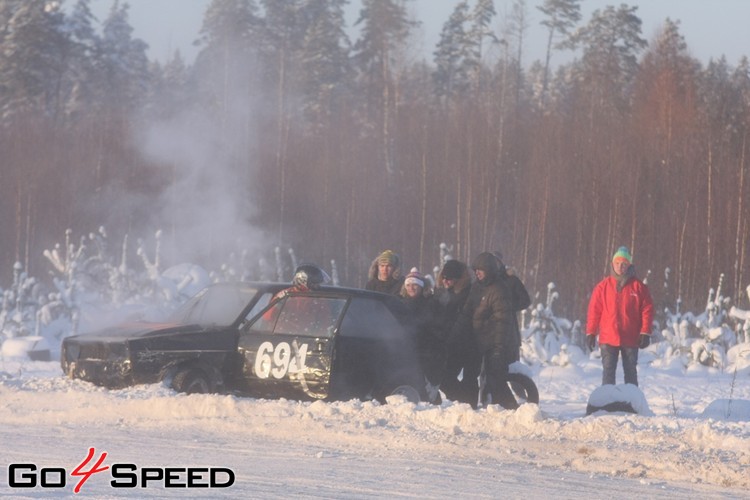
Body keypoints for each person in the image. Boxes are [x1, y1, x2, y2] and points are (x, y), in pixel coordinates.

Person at [586, 246, 654, 387]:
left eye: (624, 264)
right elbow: (594, 311)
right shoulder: (602, 287)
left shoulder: (639, 287)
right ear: (612, 263)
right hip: (608, 337)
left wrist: (645, 332)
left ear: (629, 265)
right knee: (608, 373)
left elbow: (647, 310)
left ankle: (632, 404)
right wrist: (591, 333)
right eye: (617, 263)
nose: (620, 267)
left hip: (630, 338)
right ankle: (607, 405)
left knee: (630, 374)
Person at [466, 252, 521, 410]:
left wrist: (498, 348)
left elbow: (502, 322)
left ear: (489, 270)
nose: (477, 273)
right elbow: (467, 312)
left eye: (480, 270)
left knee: (495, 378)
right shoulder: (477, 287)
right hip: (481, 341)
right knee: (477, 377)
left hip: (497, 343)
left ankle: (512, 409)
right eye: (475, 270)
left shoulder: (499, 289)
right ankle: (473, 408)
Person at [434, 259, 480, 407]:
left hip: (471, 343)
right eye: (444, 278)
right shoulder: (445, 293)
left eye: (450, 278)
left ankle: (470, 406)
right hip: (452, 343)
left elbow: (465, 319)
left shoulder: (469, 293)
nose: (446, 281)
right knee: (443, 377)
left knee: (470, 378)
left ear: (459, 279)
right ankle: (464, 401)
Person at [399, 267, 443, 404]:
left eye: (415, 285)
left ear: (421, 286)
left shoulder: (429, 303)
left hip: (426, 349)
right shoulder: (400, 303)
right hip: (406, 347)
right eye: (408, 285)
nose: (411, 288)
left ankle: (431, 401)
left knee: (424, 381)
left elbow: (433, 326)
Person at [493, 250, 531, 362]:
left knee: (513, 368)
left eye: (496, 263)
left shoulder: (511, 281)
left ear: (500, 264)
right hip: (489, 336)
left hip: (510, 334)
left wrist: (508, 306)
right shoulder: (483, 283)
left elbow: (525, 300)